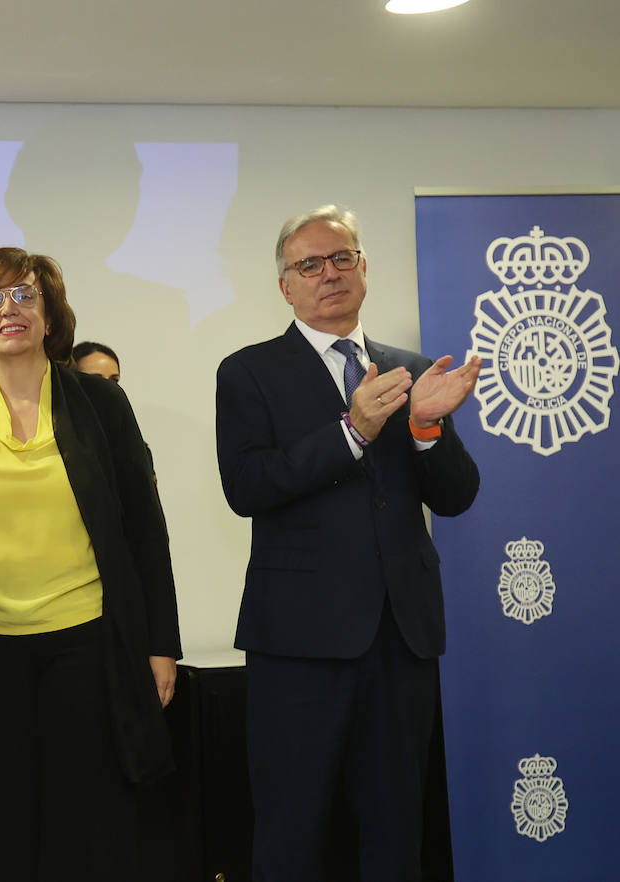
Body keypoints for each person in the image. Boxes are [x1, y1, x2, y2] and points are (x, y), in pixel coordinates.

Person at [214, 206, 481, 882]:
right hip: (298, 643)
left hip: (402, 636)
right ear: (286, 286)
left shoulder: (411, 369)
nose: (328, 274)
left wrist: (425, 429)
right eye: (310, 264)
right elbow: (249, 486)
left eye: (341, 259)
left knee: (398, 832)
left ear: (364, 269)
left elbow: (455, 496)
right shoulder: (248, 373)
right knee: (292, 830)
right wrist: (353, 430)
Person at [0, 246, 181, 881]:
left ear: (50, 316)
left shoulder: (102, 406)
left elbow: (145, 533)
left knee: (91, 832)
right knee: (2, 837)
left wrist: (159, 645)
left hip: (88, 647)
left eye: (25, 296)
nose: (9, 310)